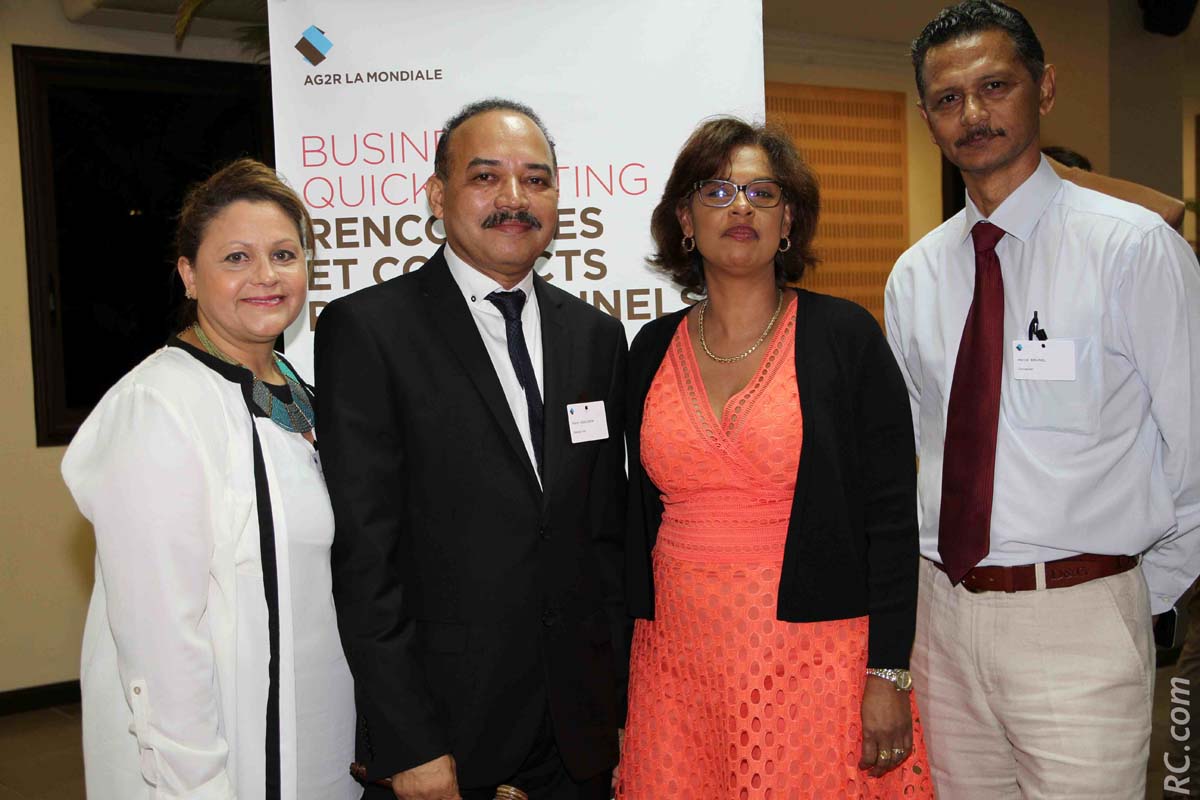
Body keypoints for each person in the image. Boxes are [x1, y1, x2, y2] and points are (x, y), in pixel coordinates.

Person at [885, 2, 1200, 797]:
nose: (973, 113)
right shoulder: (915, 276)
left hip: (1080, 620)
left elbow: (1194, 449)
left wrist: (1132, 595)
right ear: (927, 118)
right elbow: (914, 452)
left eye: (995, 86)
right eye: (948, 98)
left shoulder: (1133, 249)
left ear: (1045, 88)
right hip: (942, 622)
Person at [314, 98, 628, 800]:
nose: (514, 199)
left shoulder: (596, 338)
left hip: (578, 734)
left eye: (536, 180)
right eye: (486, 177)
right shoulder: (369, 331)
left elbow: (602, 535)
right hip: (446, 735)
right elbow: (366, 558)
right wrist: (409, 740)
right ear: (437, 196)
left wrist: (616, 704)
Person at [618, 117, 934, 798]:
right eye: (718, 191)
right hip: (675, 660)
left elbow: (889, 517)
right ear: (684, 220)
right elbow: (628, 520)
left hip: (817, 658)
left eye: (762, 194)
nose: (741, 208)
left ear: (787, 221)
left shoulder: (845, 336)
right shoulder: (648, 349)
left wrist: (888, 672)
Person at [62, 159, 360, 799]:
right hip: (224, 761)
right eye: (236, 258)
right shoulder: (159, 405)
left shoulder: (304, 392)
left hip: (323, 740)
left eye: (284, 254)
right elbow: (160, 638)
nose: (265, 275)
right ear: (189, 275)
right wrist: (196, 783)